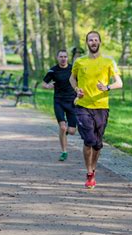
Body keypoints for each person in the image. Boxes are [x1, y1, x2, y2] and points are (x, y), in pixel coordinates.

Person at [69, 31, 123, 189]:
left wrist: (107, 87)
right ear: (87, 43)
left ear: (100, 42)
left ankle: (93, 170)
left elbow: (119, 83)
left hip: (101, 106)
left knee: (98, 144)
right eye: (90, 40)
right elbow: (72, 78)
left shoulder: (108, 61)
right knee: (89, 140)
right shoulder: (80, 61)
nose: (93, 42)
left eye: (95, 40)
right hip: (83, 105)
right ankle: (88, 172)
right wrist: (77, 89)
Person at [43, 49, 78, 161]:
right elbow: (44, 83)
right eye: (61, 57)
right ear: (57, 58)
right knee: (62, 127)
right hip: (59, 101)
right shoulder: (53, 70)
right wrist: (48, 86)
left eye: (65, 57)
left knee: (72, 131)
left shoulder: (73, 69)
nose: (63, 59)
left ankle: (63, 133)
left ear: (68, 58)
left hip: (72, 102)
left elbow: (80, 82)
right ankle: (64, 151)